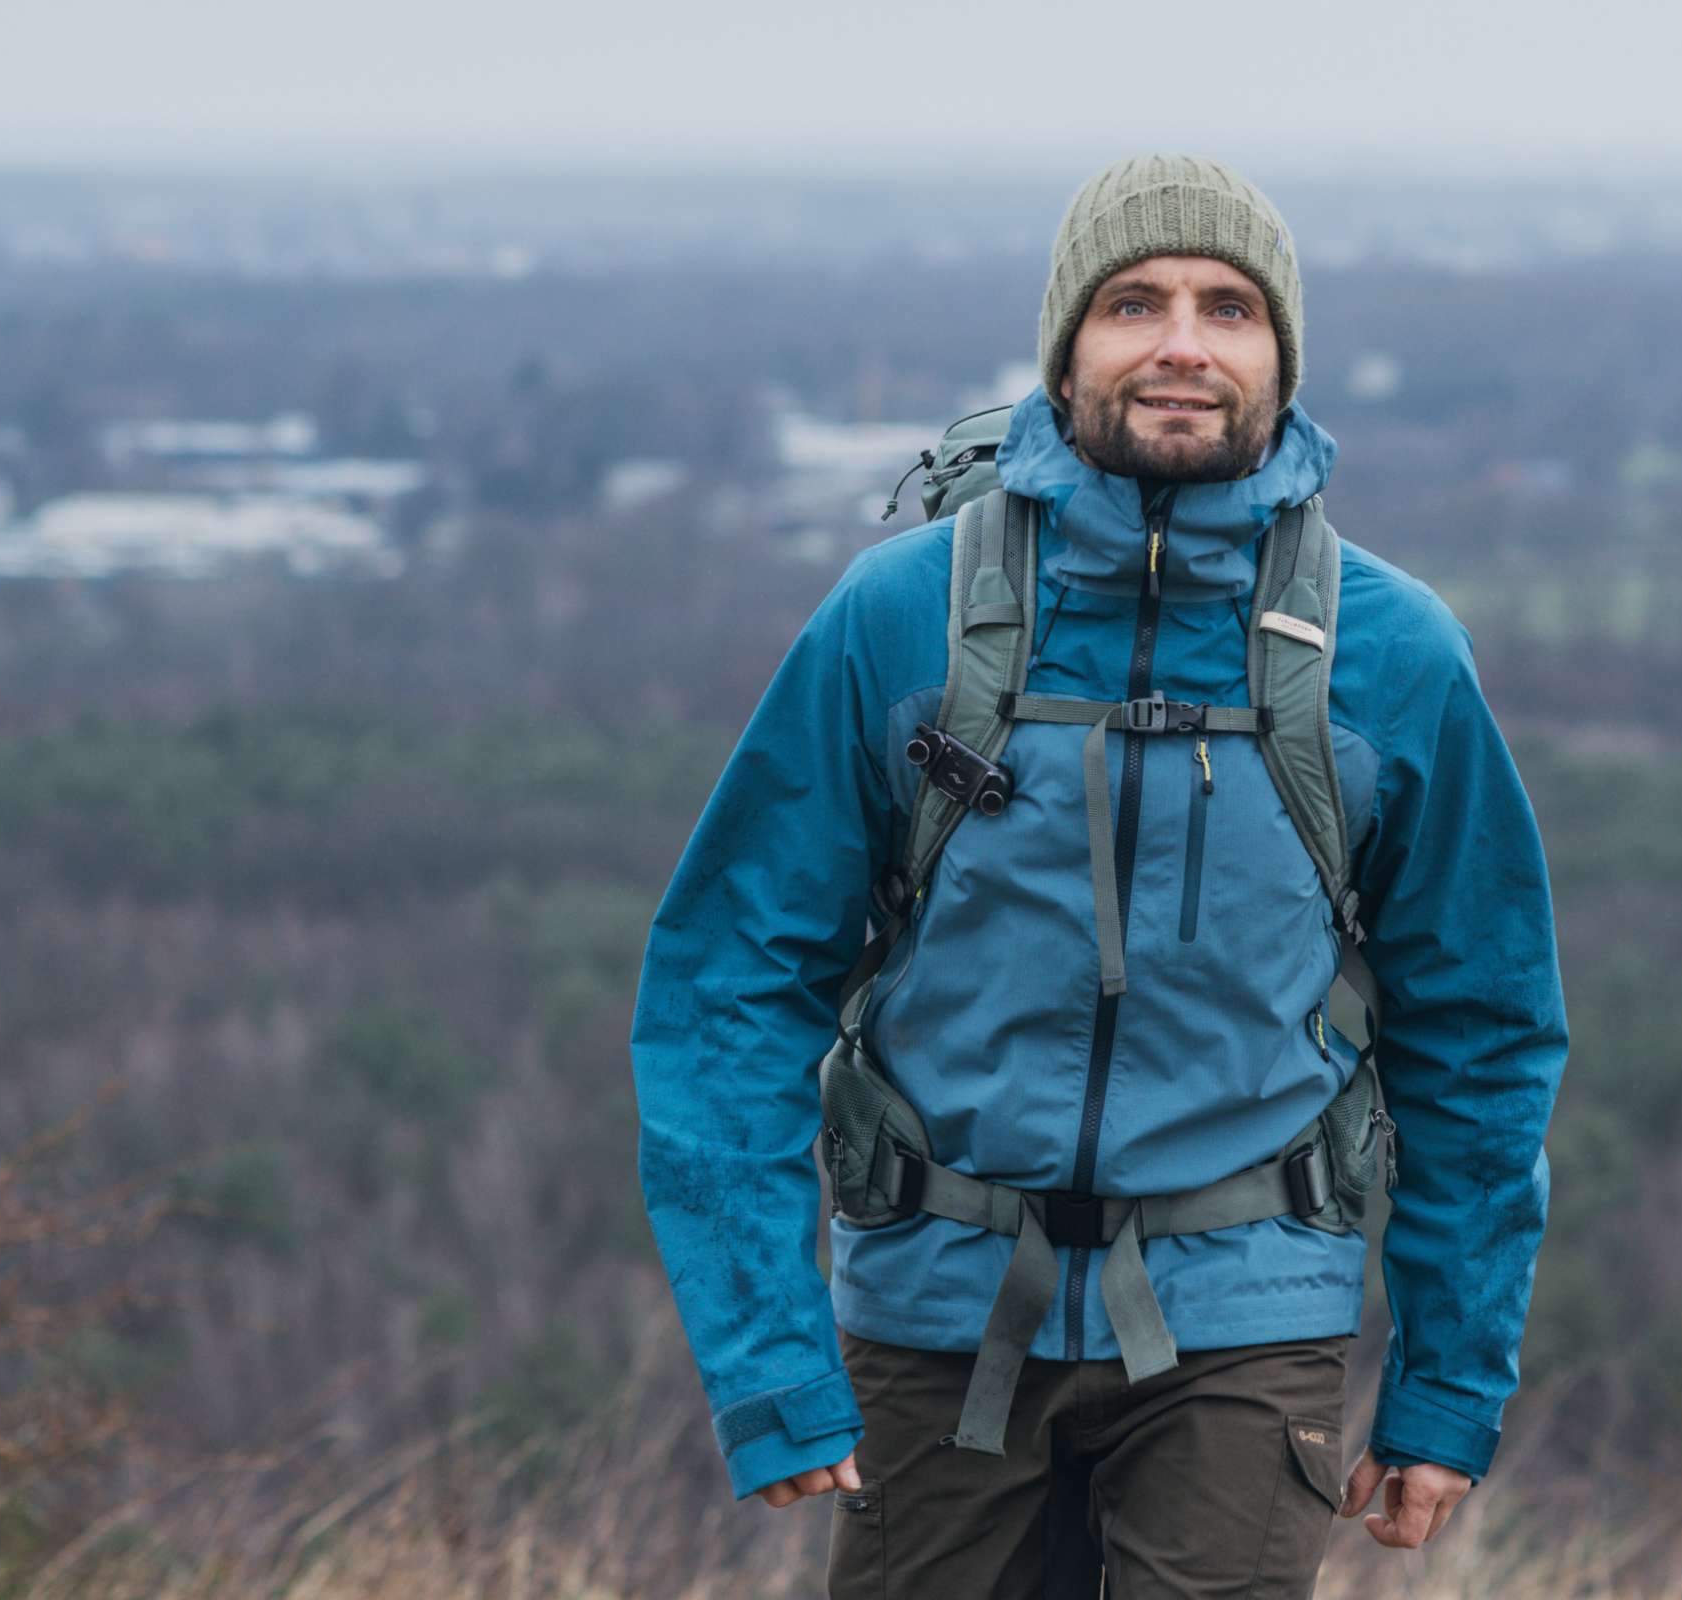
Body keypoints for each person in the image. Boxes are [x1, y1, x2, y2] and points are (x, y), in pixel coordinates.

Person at [632, 152, 1569, 1598]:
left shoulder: (1390, 653)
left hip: (1250, 1314)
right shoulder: (906, 621)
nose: (1183, 342)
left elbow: (1485, 1031)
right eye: (1135, 302)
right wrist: (770, 1357)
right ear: (1067, 347)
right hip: (934, 1311)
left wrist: (1449, 1386)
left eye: (1229, 308)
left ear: (1282, 359)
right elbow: (728, 987)